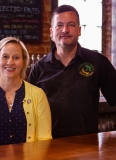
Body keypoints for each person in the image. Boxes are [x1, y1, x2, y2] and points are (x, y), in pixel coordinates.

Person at [28, 5, 116, 139]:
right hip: (47, 147)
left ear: (79, 30)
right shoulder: (38, 68)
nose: (65, 30)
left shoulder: (98, 62)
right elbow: (28, 112)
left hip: (86, 147)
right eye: (59, 25)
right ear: (51, 32)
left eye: (71, 24)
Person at [0, 37, 52, 149]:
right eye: (5, 56)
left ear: (23, 62)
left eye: (16, 57)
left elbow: (44, 139)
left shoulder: (38, 95)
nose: (10, 62)